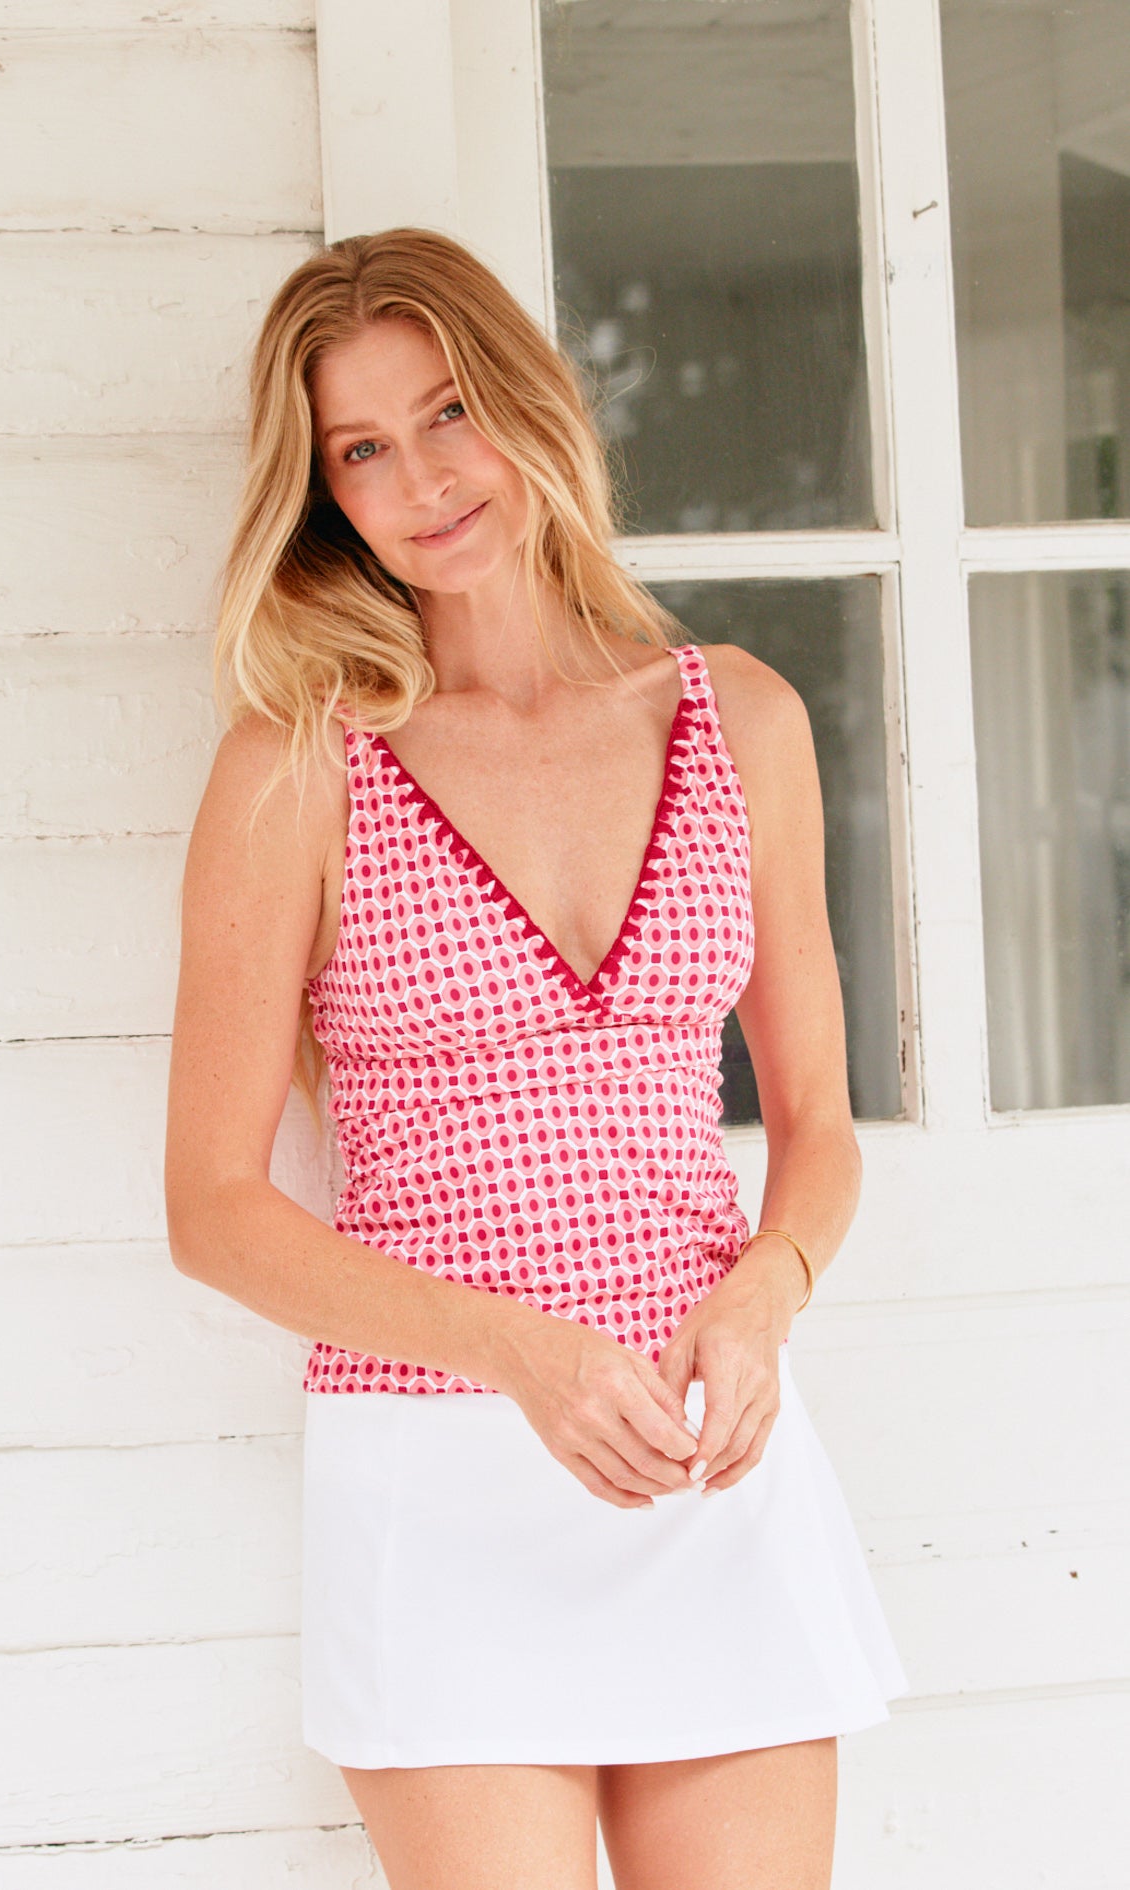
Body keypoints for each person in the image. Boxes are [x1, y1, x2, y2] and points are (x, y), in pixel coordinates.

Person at [164, 227, 909, 1890]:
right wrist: (518, 1356)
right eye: (361, 448)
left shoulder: (742, 718)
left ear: (528, 403)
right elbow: (213, 1208)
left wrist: (763, 1290)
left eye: (446, 412)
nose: (422, 477)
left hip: (706, 1455)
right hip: (438, 1472)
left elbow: (815, 1123)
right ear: (323, 496)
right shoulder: (299, 766)